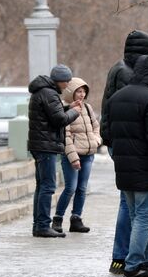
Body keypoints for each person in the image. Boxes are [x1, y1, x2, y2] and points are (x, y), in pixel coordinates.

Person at [102, 55, 148, 277]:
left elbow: (109, 134)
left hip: (124, 169)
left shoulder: (115, 99)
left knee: (137, 218)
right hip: (145, 170)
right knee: (144, 218)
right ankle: (133, 264)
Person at [100, 30, 148, 273]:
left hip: (119, 142)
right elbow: (136, 117)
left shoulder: (119, 68)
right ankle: (123, 257)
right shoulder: (128, 75)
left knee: (133, 205)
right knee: (132, 207)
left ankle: (144, 257)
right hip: (130, 146)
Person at [28, 64, 82, 238]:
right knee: (48, 186)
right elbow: (59, 120)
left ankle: (39, 224)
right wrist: (74, 112)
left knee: (42, 185)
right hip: (46, 146)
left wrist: (68, 107)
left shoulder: (43, 91)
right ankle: (43, 225)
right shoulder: (49, 93)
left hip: (40, 145)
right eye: (66, 81)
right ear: (60, 81)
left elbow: (52, 114)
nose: (67, 85)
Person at [52, 77, 102, 233]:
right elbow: (65, 136)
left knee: (82, 188)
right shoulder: (65, 109)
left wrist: (96, 141)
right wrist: (73, 158)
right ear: (71, 92)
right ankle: (58, 219)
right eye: (78, 91)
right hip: (71, 156)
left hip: (88, 155)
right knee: (70, 187)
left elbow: (96, 127)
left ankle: (76, 219)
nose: (81, 94)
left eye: (83, 91)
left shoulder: (87, 108)